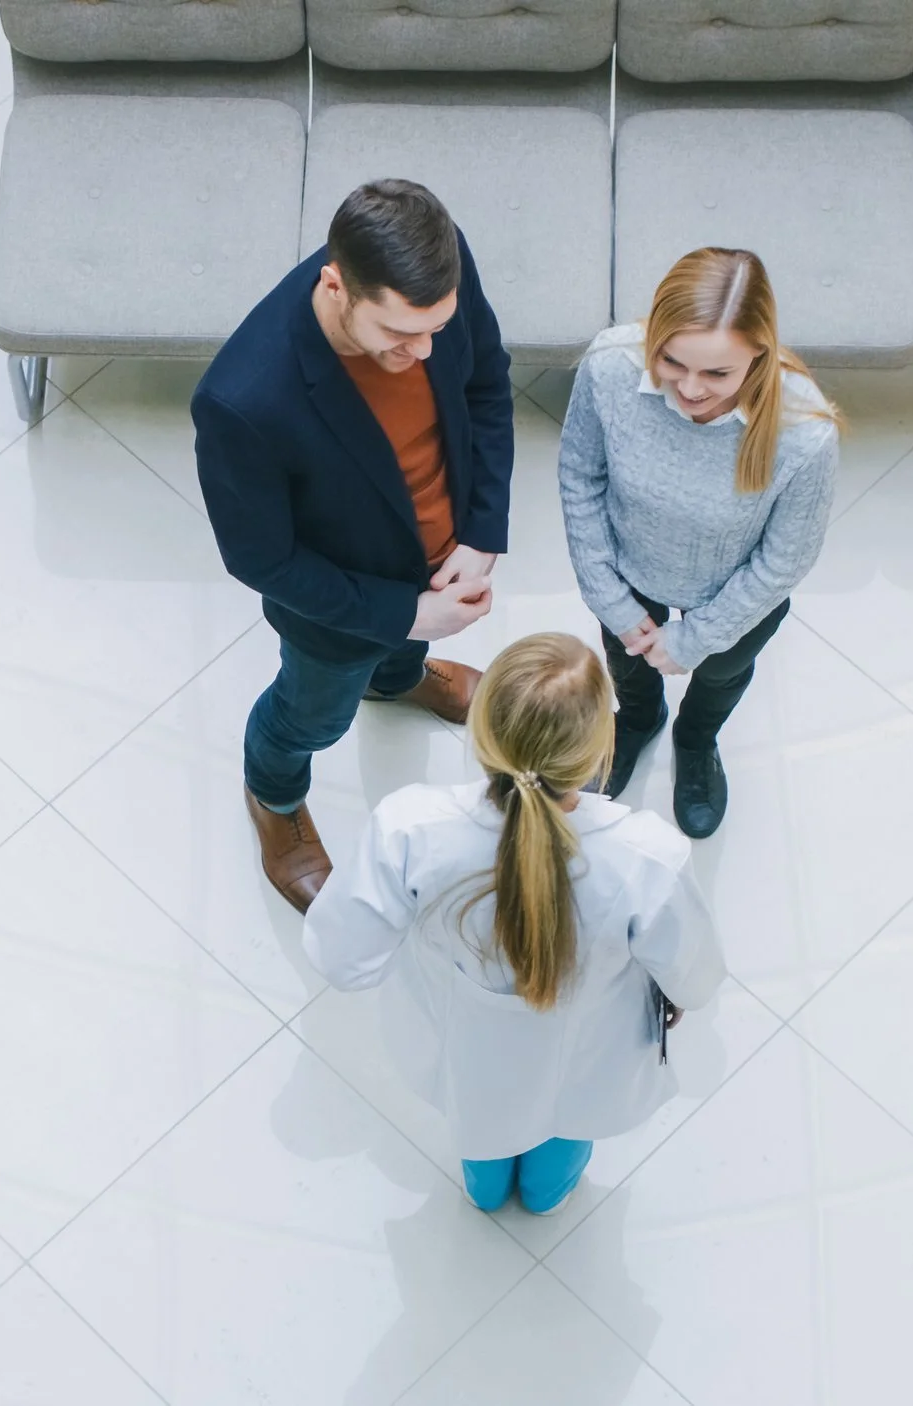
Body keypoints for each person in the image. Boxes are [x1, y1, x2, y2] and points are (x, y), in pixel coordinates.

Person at [302, 632, 723, 1214]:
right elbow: (695, 977)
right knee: (564, 1138)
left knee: (482, 1138)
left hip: (468, 1053)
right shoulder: (649, 855)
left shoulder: (408, 828)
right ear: (599, 748)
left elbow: (344, 961)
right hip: (590, 1055)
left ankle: (486, 1192)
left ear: (483, 730)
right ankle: (548, 1198)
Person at [194, 178, 516, 913]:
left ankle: (398, 678)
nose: (425, 349)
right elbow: (261, 560)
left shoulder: (437, 276)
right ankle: (273, 797)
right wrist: (405, 615)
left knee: (396, 655)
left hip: (437, 556)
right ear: (336, 287)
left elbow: (487, 384)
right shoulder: (242, 400)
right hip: (339, 611)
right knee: (312, 715)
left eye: (436, 328)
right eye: (400, 337)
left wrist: (483, 528)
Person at [558, 247, 841, 838]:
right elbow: (580, 477)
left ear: (758, 355)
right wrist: (608, 595)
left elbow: (785, 558)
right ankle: (635, 723)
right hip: (628, 570)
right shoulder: (609, 367)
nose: (689, 389)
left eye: (717, 373)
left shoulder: (803, 432)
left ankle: (696, 741)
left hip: (733, 591)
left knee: (722, 672)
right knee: (627, 666)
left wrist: (697, 637)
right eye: (672, 361)